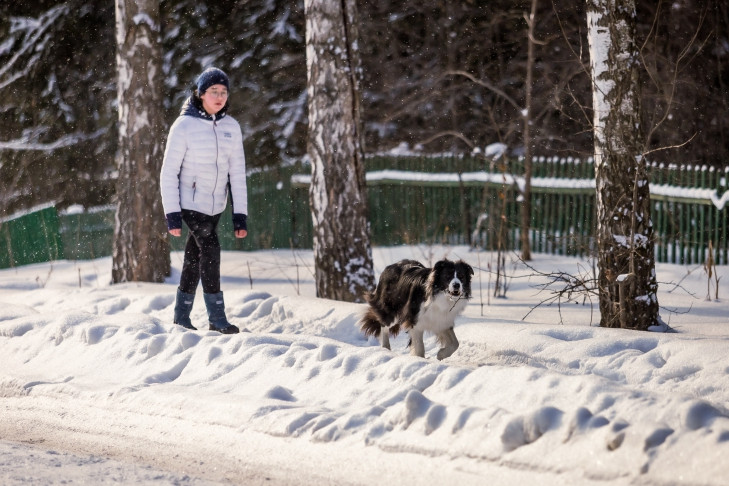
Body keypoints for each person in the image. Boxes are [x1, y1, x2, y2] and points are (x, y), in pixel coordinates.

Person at [160, 67, 248, 334]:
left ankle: (181, 317)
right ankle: (217, 318)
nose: (219, 96)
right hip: (190, 202)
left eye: (223, 91)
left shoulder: (231, 127)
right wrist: (172, 213)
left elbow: (238, 174)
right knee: (210, 249)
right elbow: (168, 172)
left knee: (194, 257)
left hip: (215, 205)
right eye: (213, 92)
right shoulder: (184, 126)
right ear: (200, 94)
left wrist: (239, 215)